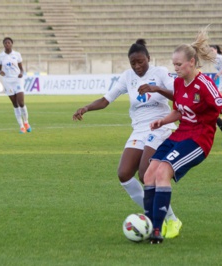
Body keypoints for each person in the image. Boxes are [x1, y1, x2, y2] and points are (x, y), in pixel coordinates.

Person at [143, 27, 222, 244]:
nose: (176, 68)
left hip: (198, 140)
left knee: (163, 171)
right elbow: (179, 110)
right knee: (149, 173)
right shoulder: (178, 82)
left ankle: (155, 230)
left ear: (192, 62)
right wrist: (162, 121)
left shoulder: (205, 85)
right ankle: (148, 222)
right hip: (180, 134)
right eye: (173, 64)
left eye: (179, 64)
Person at [72, 39, 182, 239]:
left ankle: (170, 219)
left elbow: (179, 95)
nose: (137, 67)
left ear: (148, 58)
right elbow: (106, 99)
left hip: (160, 126)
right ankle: (158, 219)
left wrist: (155, 89)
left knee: (145, 173)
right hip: (139, 130)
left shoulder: (160, 73)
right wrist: (86, 107)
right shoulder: (127, 77)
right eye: (133, 63)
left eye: (141, 62)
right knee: (123, 174)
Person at [0, 37, 31, 134]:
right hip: (7, 81)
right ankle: (21, 126)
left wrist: (21, 73)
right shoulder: (0, 56)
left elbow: (22, 69)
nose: (7, 44)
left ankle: (26, 122)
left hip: (17, 80)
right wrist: (1, 72)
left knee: (21, 102)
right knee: (15, 104)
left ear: (12, 44)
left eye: (9, 43)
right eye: (5, 43)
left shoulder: (17, 55)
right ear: (3, 45)